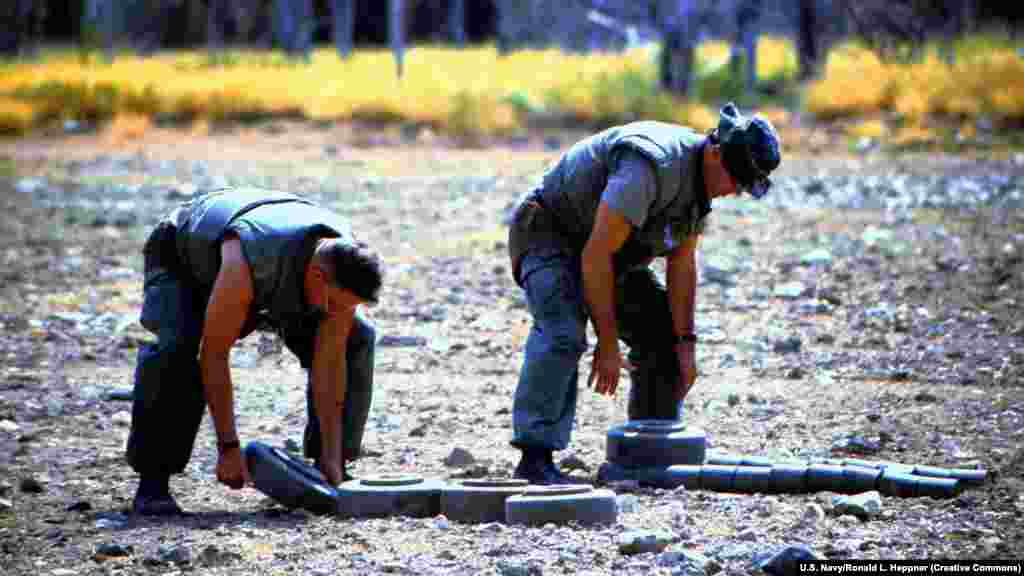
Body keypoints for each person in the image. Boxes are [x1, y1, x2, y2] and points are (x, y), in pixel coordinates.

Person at [506, 103, 781, 484]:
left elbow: (682, 266)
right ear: (715, 152)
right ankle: (534, 460)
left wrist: (686, 346)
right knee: (563, 332)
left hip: (608, 254)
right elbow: (595, 255)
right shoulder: (650, 165)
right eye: (736, 178)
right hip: (550, 234)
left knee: (662, 336)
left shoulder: (702, 187)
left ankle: (650, 451)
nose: (735, 191)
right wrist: (606, 341)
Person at [126, 187, 383, 515]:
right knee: (179, 347)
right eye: (333, 303)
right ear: (317, 277)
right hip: (185, 260)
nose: (336, 311)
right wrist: (228, 448)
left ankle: (329, 468)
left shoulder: (343, 266)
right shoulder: (244, 260)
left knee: (356, 339)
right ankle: (153, 482)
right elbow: (214, 355)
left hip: (278, 266)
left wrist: (332, 455)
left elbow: (329, 365)